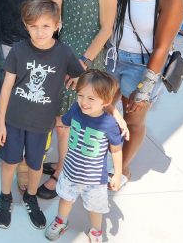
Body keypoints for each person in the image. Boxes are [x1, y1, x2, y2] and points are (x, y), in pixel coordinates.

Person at [37, 0, 117, 201]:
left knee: (70, 121)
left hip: (86, 60)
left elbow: (106, 28)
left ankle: (61, 173)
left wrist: (83, 61)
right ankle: (62, 164)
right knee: (59, 117)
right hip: (60, 55)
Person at [0, 0, 85, 231]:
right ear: (26, 26)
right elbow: (6, 87)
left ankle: (30, 197)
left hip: (42, 124)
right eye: (33, 26)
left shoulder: (64, 53)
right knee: (10, 161)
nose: (40, 32)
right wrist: (1, 123)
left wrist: (75, 81)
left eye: (46, 26)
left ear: (57, 25)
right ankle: (5, 197)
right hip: (14, 120)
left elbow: (80, 75)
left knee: (36, 164)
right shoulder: (18, 50)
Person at [107, 0, 183, 185]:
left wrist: (144, 89)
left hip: (142, 65)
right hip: (112, 56)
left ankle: (122, 169)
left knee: (133, 120)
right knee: (101, 111)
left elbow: (162, 47)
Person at [44, 72, 124, 243]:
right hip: (70, 172)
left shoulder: (109, 124)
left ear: (106, 102)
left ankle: (96, 231)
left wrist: (117, 174)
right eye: (81, 95)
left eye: (91, 98)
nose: (84, 102)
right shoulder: (75, 109)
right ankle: (61, 221)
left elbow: (116, 150)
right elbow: (63, 123)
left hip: (94, 180)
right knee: (66, 200)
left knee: (95, 209)